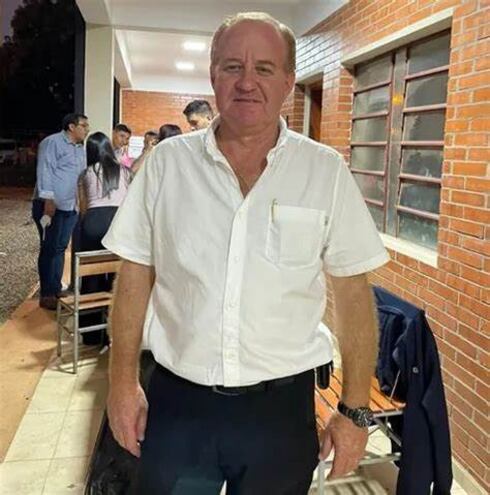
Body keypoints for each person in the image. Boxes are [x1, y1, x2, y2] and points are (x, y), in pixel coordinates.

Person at [103, 11, 390, 494]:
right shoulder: (167, 165)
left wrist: (355, 410)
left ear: (288, 82)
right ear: (213, 75)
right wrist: (121, 382)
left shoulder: (324, 172)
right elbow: (134, 277)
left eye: (264, 68)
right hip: (179, 407)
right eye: (233, 66)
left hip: (280, 415)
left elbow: (353, 294)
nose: (247, 82)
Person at [77, 131, 131, 343]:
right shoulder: (125, 171)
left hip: (94, 221)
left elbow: (83, 207)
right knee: (118, 275)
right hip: (119, 221)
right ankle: (115, 330)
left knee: (91, 274)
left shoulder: (86, 173)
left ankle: (91, 334)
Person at [32, 113, 89, 310]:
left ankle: (55, 288)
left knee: (60, 248)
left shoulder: (80, 148)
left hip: (71, 206)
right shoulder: (52, 142)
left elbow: (80, 177)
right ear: (71, 127)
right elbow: (45, 171)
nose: (87, 129)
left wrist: (82, 202)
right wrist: (48, 200)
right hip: (51, 206)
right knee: (49, 248)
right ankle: (47, 293)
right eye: (84, 125)